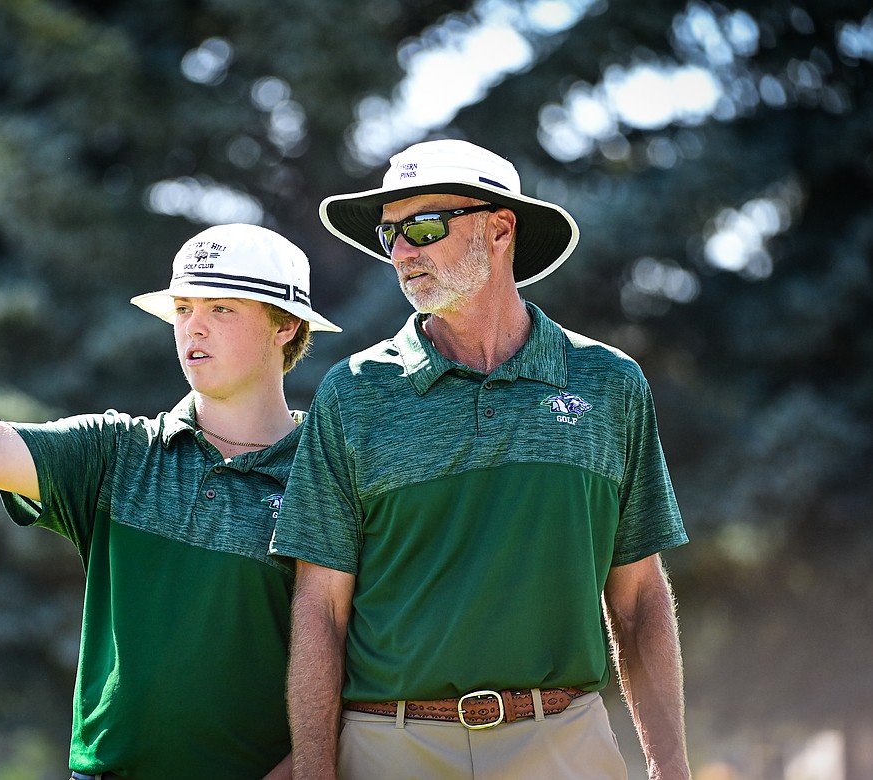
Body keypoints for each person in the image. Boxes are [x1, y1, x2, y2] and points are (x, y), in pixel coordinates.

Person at [0, 222, 341, 780]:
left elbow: (350, 659)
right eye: (184, 308)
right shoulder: (118, 451)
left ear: (286, 325)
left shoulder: (327, 477)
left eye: (221, 309)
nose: (193, 327)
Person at [270, 139, 690, 779]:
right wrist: (316, 772)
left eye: (424, 227)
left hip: (565, 745)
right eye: (391, 236)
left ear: (499, 229)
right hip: (392, 747)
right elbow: (321, 610)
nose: (403, 253)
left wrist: (670, 766)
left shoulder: (610, 384)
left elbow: (637, 600)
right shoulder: (354, 393)